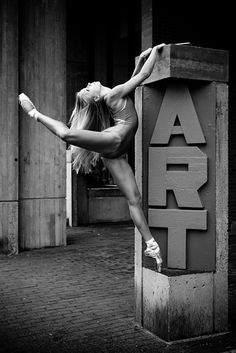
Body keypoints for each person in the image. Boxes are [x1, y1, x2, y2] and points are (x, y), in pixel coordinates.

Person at [18, 43, 165, 272]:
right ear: (95, 99)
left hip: (114, 151)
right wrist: (156, 50)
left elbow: (134, 79)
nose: (88, 84)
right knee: (66, 134)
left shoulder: (114, 94)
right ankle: (34, 112)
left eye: (86, 87)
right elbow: (144, 75)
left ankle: (151, 245)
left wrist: (141, 59)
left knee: (134, 199)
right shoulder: (114, 93)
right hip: (115, 142)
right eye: (87, 90)